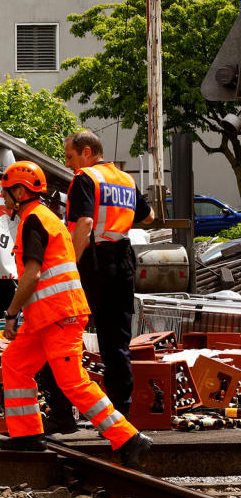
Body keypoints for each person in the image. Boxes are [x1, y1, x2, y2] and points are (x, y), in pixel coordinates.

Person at [0, 160, 151, 467]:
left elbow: (32, 276)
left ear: (18, 191)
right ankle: (27, 435)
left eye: (5, 193)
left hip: (59, 316)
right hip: (46, 317)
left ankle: (129, 438)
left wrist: (11, 313)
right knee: (14, 363)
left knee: (72, 381)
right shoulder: (44, 218)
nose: (3, 199)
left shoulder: (34, 221)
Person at [41, 131, 155, 434]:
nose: (68, 164)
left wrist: (70, 265)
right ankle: (120, 418)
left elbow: (86, 223)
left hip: (93, 263)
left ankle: (62, 414)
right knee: (116, 344)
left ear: (87, 152)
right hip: (123, 262)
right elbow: (150, 216)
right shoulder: (126, 180)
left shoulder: (85, 178)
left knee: (61, 332)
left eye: (70, 156)